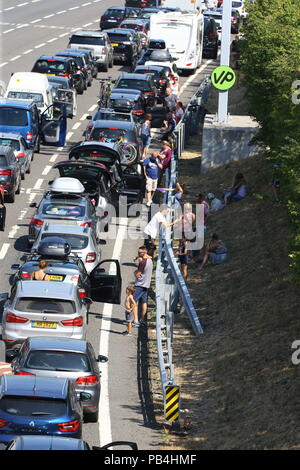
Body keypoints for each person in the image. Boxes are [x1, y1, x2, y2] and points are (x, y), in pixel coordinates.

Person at [133, 246, 153, 327]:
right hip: (146, 284)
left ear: (144, 252)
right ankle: (142, 319)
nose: (138, 254)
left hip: (140, 285)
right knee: (144, 302)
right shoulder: (150, 260)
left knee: (133, 301)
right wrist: (138, 257)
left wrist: (135, 272)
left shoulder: (142, 262)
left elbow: (137, 275)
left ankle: (136, 320)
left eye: (139, 253)